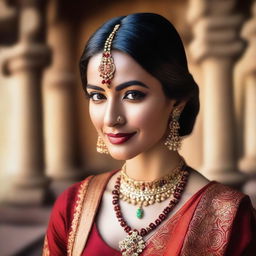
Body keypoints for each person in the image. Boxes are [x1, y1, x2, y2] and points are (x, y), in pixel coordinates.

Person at [42, 13, 256, 256]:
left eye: (132, 94)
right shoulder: (72, 207)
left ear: (177, 101)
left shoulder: (227, 215)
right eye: (98, 96)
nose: (111, 118)